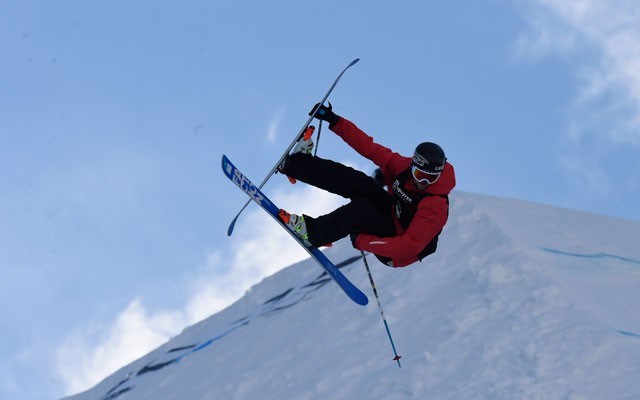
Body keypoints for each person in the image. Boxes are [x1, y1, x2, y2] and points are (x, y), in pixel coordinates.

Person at [278, 103, 456, 267]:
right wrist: (335, 120)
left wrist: (362, 240)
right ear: (412, 167)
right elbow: (370, 148)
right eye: (419, 175)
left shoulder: (435, 206)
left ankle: (311, 233)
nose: (423, 182)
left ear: (438, 176)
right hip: (392, 214)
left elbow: (408, 247)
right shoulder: (403, 167)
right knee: (358, 182)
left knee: (361, 209)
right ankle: (297, 164)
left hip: (396, 251)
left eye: (430, 179)